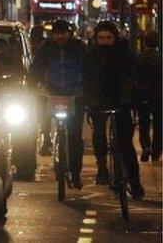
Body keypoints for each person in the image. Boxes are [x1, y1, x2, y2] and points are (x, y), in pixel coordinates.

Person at [82, 21, 144, 199]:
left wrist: (128, 98)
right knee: (99, 134)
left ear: (115, 38)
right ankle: (102, 168)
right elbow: (87, 82)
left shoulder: (125, 55)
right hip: (98, 101)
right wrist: (90, 101)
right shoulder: (89, 58)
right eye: (101, 38)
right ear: (96, 39)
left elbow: (130, 78)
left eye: (109, 38)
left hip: (121, 101)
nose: (105, 42)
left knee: (126, 144)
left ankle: (134, 181)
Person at [29, 18, 85, 189]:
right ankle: (45, 137)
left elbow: (88, 68)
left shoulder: (79, 48)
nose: (60, 37)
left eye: (63, 33)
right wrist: (36, 85)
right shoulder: (45, 49)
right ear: (52, 34)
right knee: (41, 108)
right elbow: (35, 70)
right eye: (57, 33)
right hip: (51, 93)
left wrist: (84, 88)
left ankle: (75, 173)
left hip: (75, 95)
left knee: (75, 135)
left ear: (69, 33)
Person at [135, 31, 162, 163]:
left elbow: (135, 77)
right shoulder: (160, 58)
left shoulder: (140, 58)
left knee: (143, 122)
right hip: (158, 95)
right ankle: (157, 150)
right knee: (158, 124)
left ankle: (145, 145)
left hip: (143, 94)